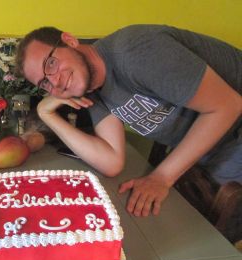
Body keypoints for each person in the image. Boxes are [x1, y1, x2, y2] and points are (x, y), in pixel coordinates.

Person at [15, 24, 242, 217]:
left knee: (212, 227)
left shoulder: (134, 52)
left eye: (51, 64)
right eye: (44, 83)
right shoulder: (91, 86)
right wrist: (47, 114)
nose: (55, 82)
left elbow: (227, 105)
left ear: (70, 41)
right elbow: (111, 162)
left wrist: (161, 178)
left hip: (233, 132)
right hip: (214, 147)